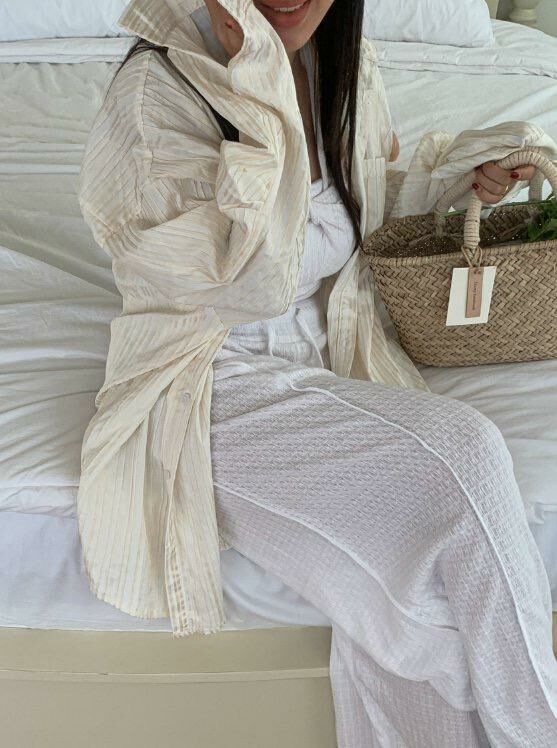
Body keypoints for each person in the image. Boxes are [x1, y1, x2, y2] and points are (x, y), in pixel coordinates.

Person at [77, 0, 557, 744]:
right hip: (207, 380)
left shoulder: (339, 60)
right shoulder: (154, 97)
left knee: (419, 601)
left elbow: (352, 217)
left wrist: (466, 180)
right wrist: (260, 81)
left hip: (326, 356)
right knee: (466, 453)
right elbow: (247, 286)